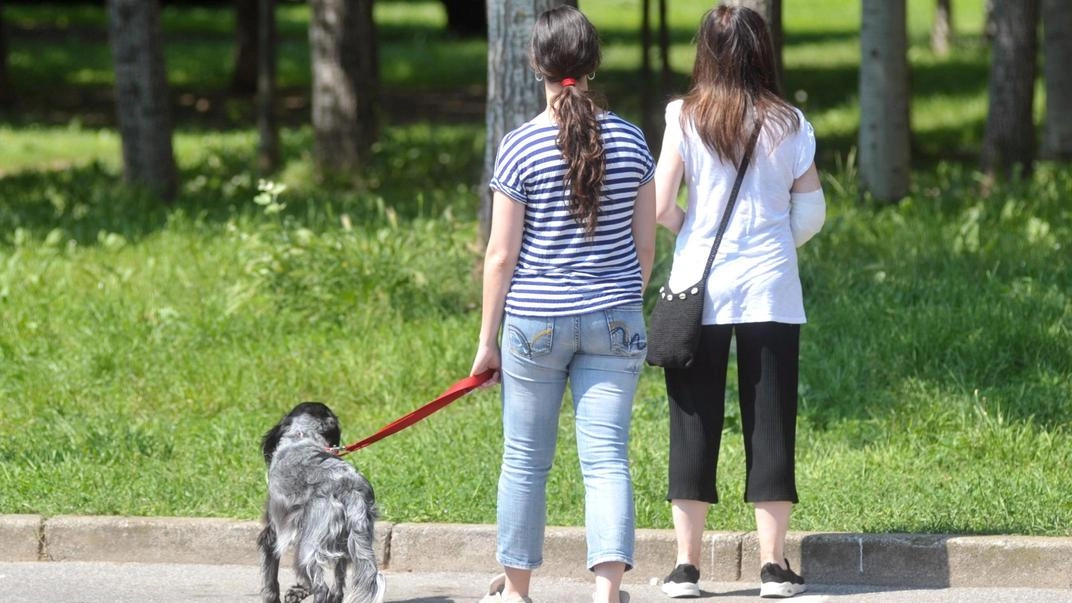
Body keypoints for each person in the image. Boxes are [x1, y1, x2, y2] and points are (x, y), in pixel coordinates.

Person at [468, 6, 656, 603]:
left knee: (525, 459)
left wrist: (486, 341)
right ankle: (606, 594)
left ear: (535, 65)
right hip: (616, 318)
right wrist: (626, 296)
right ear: (593, 63)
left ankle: (518, 592)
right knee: (606, 460)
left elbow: (500, 255)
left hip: (535, 323)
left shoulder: (520, 146)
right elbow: (646, 243)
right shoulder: (630, 139)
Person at [651, 5, 825, 600]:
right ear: (762, 50)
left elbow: (659, 204)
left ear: (707, 49)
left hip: (698, 288)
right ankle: (774, 568)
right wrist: (774, 241)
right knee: (772, 423)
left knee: (692, 423)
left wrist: (691, 232)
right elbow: (813, 212)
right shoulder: (791, 122)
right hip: (772, 289)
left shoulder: (683, 115)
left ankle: (685, 568)